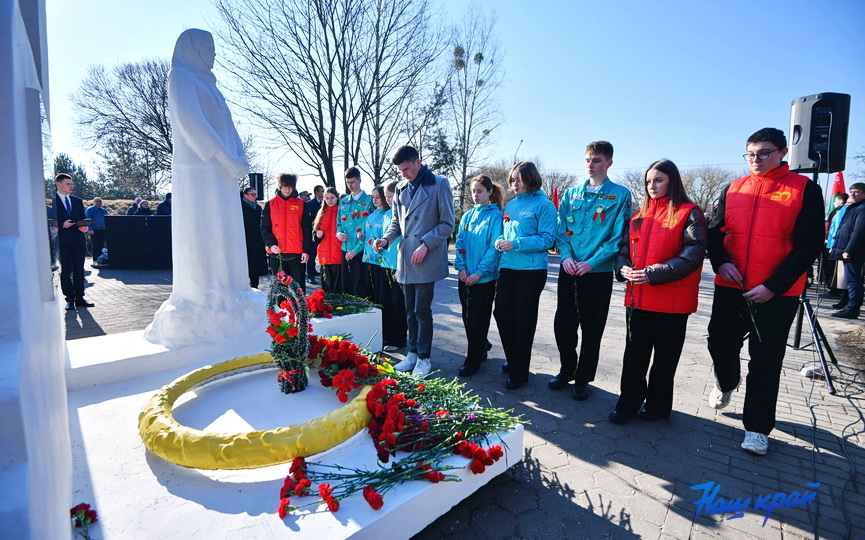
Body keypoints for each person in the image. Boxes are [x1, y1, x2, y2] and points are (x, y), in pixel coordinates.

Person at [706, 127, 824, 456]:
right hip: (732, 286)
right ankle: (726, 382)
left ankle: (757, 428)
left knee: (766, 360)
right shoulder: (734, 188)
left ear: (783, 153)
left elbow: (809, 246)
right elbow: (714, 231)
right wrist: (720, 262)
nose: (755, 160)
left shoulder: (804, 190)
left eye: (764, 153)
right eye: (750, 154)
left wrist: (774, 286)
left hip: (777, 293)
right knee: (719, 342)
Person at [609, 160, 706, 424]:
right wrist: (623, 269)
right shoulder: (639, 215)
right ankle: (627, 403)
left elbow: (692, 255)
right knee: (634, 358)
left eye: (659, 180)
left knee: (664, 361)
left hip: (672, 303)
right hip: (637, 300)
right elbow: (623, 251)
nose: (652, 186)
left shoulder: (689, 212)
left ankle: (658, 406)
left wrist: (653, 274)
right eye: (649, 181)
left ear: (672, 181)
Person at [551, 141, 632, 401]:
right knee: (563, 325)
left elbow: (617, 236)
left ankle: (583, 378)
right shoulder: (571, 193)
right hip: (570, 269)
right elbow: (561, 229)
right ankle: (567, 369)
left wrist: (592, 262)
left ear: (609, 162)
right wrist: (565, 257)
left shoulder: (620, 195)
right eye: (587, 159)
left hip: (595, 273)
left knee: (592, 328)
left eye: (596, 160)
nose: (590, 164)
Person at [374, 145, 455, 376]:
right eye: (400, 170)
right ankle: (411, 354)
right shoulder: (400, 188)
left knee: (422, 309)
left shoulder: (439, 184)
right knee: (408, 309)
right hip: (405, 259)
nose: (404, 174)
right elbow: (396, 224)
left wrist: (426, 244)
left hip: (426, 258)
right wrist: (385, 241)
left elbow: (447, 224)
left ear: (418, 162)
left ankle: (424, 358)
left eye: (407, 168)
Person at [492, 162, 557, 389]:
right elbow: (503, 233)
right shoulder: (509, 205)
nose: (514, 184)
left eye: (519, 179)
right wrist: (499, 241)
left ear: (531, 179)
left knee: (523, 320)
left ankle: (520, 372)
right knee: (501, 313)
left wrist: (516, 243)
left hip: (531, 271)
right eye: (512, 180)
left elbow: (548, 239)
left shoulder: (544, 205)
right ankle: (514, 359)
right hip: (508, 268)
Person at [454, 175, 504, 377]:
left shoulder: (496, 217)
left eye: (480, 191)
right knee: (468, 318)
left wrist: (479, 272)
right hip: (465, 276)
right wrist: (462, 268)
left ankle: (473, 360)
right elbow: (460, 243)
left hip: (484, 279)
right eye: (473, 191)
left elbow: (494, 249)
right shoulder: (467, 216)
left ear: (490, 192)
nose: (475, 195)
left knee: (478, 320)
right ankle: (481, 345)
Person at [261, 173, 313, 293]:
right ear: (280, 186)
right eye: (285, 186)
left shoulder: (301, 204)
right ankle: (280, 311)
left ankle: (300, 311)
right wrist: (271, 244)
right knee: (279, 290)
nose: (288, 188)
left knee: (298, 290)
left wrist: (306, 250)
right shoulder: (270, 204)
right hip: (276, 254)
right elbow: (264, 228)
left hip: (296, 254)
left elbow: (306, 229)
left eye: (290, 186)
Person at [54, 173, 94, 310]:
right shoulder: (53, 202)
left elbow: (82, 218)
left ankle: (80, 297)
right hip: (63, 241)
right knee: (66, 270)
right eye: (68, 183)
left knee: (79, 270)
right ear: (58, 184)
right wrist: (61, 225)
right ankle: (69, 299)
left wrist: (84, 227)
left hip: (78, 240)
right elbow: (48, 222)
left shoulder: (77, 201)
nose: (71, 186)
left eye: (72, 183)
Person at [375, 181, 407, 351]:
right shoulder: (388, 215)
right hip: (384, 264)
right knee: (385, 302)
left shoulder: (403, 214)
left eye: (390, 197)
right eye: (386, 197)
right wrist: (379, 244)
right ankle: (387, 336)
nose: (387, 200)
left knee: (398, 304)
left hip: (398, 265)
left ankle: (399, 339)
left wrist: (401, 266)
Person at [829, 182, 865, 319]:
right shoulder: (853, 208)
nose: (852, 194)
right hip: (847, 249)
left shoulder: (862, 209)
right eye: (851, 191)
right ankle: (850, 306)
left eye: (856, 192)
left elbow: (858, 231)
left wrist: (849, 249)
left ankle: (853, 308)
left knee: (853, 281)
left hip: (854, 252)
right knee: (851, 280)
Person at [338, 167, 373, 298]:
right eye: (348, 183)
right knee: (346, 287)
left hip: (360, 251)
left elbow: (369, 230)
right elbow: (339, 223)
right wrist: (338, 234)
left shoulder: (369, 202)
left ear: (360, 180)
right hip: (346, 249)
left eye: (353, 182)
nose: (350, 185)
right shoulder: (344, 201)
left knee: (360, 288)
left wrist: (357, 249)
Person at [312, 187, 344, 292]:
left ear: (337, 198)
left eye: (332, 198)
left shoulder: (342, 212)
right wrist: (317, 234)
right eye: (327, 198)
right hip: (324, 254)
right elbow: (314, 235)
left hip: (338, 253)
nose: (330, 200)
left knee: (338, 286)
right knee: (326, 286)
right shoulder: (321, 214)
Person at [241, 187, 268, 288]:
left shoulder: (257, 207)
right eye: (253, 194)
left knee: (255, 265)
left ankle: (254, 285)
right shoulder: (240, 206)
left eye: (255, 194)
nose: (255, 196)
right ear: (245, 195)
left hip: (256, 239)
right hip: (244, 239)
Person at [822, 192, 849, 295]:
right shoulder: (837, 212)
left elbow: (838, 229)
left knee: (832, 269)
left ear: (841, 201)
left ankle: (835, 291)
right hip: (832, 243)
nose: (834, 203)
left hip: (836, 244)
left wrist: (833, 244)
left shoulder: (842, 212)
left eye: (835, 201)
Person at [306, 185, 324, 284]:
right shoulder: (310, 204)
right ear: (316, 192)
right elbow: (309, 220)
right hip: (314, 233)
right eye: (321, 191)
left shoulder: (325, 203)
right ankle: (310, 275)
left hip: (324, 233)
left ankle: (317, 271)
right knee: (312, 255)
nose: (323, 193)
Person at [85, 196, 108, 267]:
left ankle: (100, 259)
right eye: (97, 201)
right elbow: (87, 219)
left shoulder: (104, 210)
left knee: (101, 245)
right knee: (96, 245)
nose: (99, 202)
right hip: (94, 230)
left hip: (103, 230)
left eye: (100, 201)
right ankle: (95, 260)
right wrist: (90, 229)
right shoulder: (90, 210)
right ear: (94, 202)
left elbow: (107, 219)